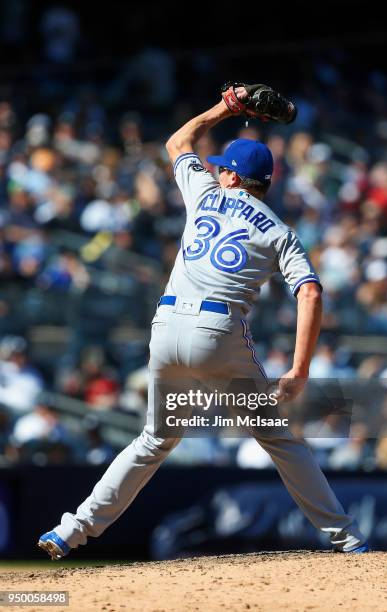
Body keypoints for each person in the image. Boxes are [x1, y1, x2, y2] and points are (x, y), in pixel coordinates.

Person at [38, 88, 368, 559]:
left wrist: (226, 108)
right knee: (277, 438)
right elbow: (310, 291)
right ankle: (348, 539)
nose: (217, 171)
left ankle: (69, 531)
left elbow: (178, 143)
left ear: (232, 176)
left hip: (166, 327)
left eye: (222, 168)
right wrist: (299, 368)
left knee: (153, 439)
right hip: (217, 337)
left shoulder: (205, 195)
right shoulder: (279, 230)